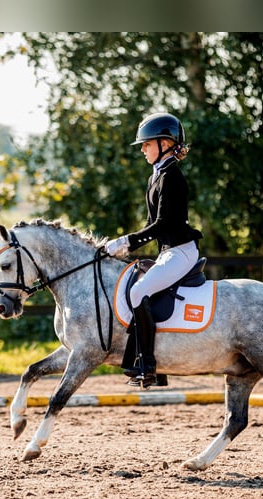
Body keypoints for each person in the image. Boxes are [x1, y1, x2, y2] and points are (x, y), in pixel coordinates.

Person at [105, 112, 203, 387]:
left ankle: (147, 366)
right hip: (168, 251)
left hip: (182, 251)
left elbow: (162, 225)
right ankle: (149, 364)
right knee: (137, 287)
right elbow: (151, 224)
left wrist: (125, 241)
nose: (143, 150)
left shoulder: (172, 177)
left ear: (165, 143)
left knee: (138, 292)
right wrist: (128, 246)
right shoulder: (156, 178)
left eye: (147, 144)